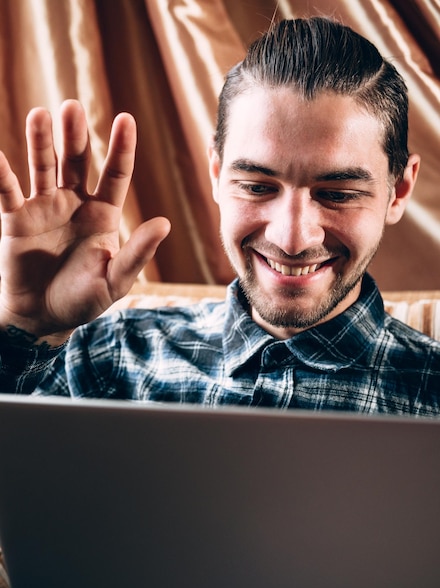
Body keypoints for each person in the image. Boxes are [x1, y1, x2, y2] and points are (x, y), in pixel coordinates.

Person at [0, 16, 439, 415]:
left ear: (398, 190)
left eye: (337, 194)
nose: (292, 238)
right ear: (216, 173)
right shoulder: (109, 359)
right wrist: (26, 328)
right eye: (256, 187)